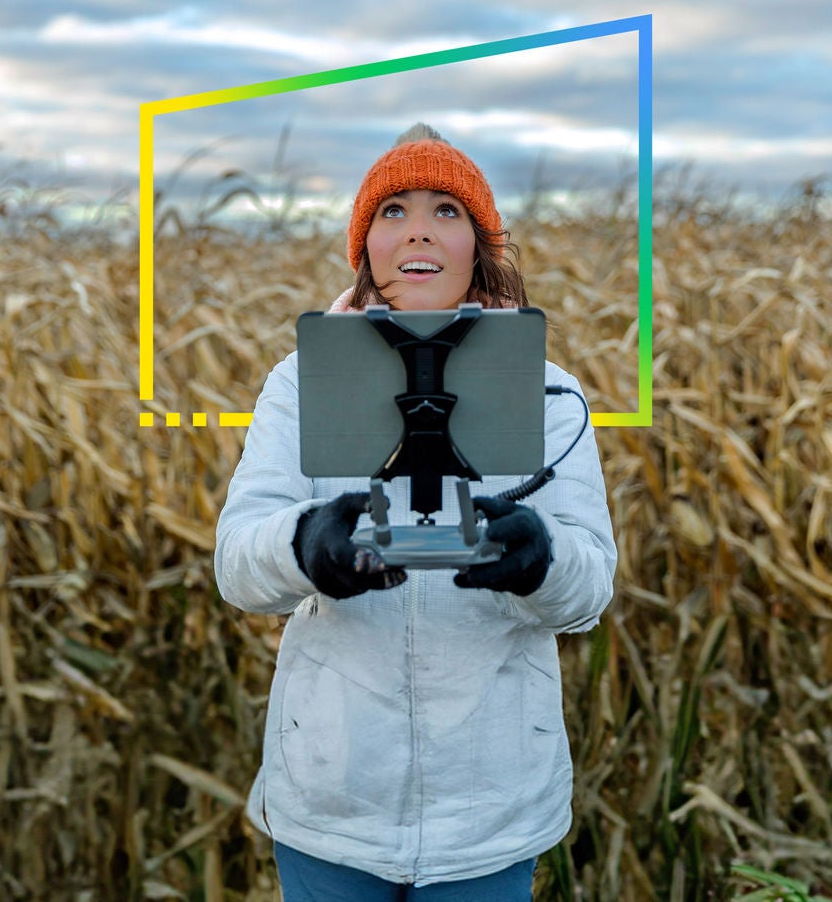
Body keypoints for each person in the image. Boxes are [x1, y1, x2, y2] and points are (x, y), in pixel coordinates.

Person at [214, 124, 618, 899]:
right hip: (333, 800)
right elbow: (237, 563)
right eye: (393, 210)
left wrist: (542, 559)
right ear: (364, 247)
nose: (420, 228)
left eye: (447, 210)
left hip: (491, 810)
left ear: (479, 245)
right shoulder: (300, 383)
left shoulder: (552, 391)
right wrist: (305, 546)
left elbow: (589, 588)